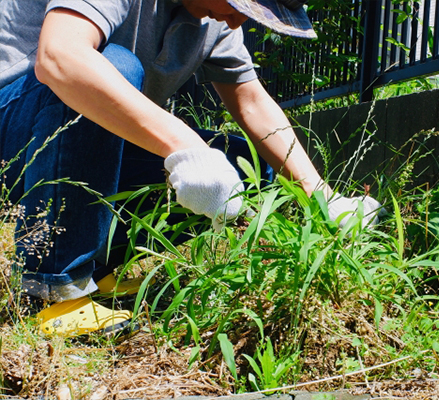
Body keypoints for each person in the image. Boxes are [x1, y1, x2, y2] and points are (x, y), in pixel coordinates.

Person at [0, 0, 384, 336]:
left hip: (72, 144)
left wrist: (322, 198)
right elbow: (61, 57)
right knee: (113, 65)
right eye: (243, 6)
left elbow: (251, 103)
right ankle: (51, 286)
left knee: (245, 165)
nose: (240, 22)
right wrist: (185, 147)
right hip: (15, 135)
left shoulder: (213, 18)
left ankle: (96, 267)